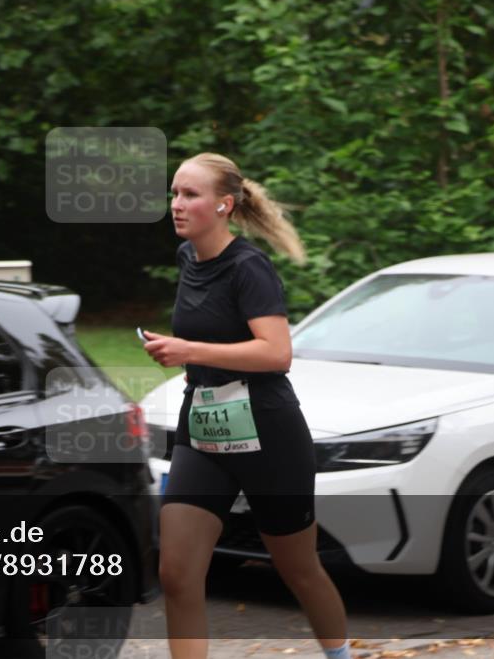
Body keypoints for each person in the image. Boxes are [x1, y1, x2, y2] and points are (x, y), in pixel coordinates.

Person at [142, 152, 352, 659]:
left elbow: (277, 354)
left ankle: (339, 655)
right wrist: (192, 361)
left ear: (224, 205)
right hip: (205, 429)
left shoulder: (249, 267)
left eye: (190, 194)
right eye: (174, 193)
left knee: (299, 568)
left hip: (269, 434)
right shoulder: (188, 258)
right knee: (176, 573)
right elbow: (213, 333)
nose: (177, 204)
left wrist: (191, 351)